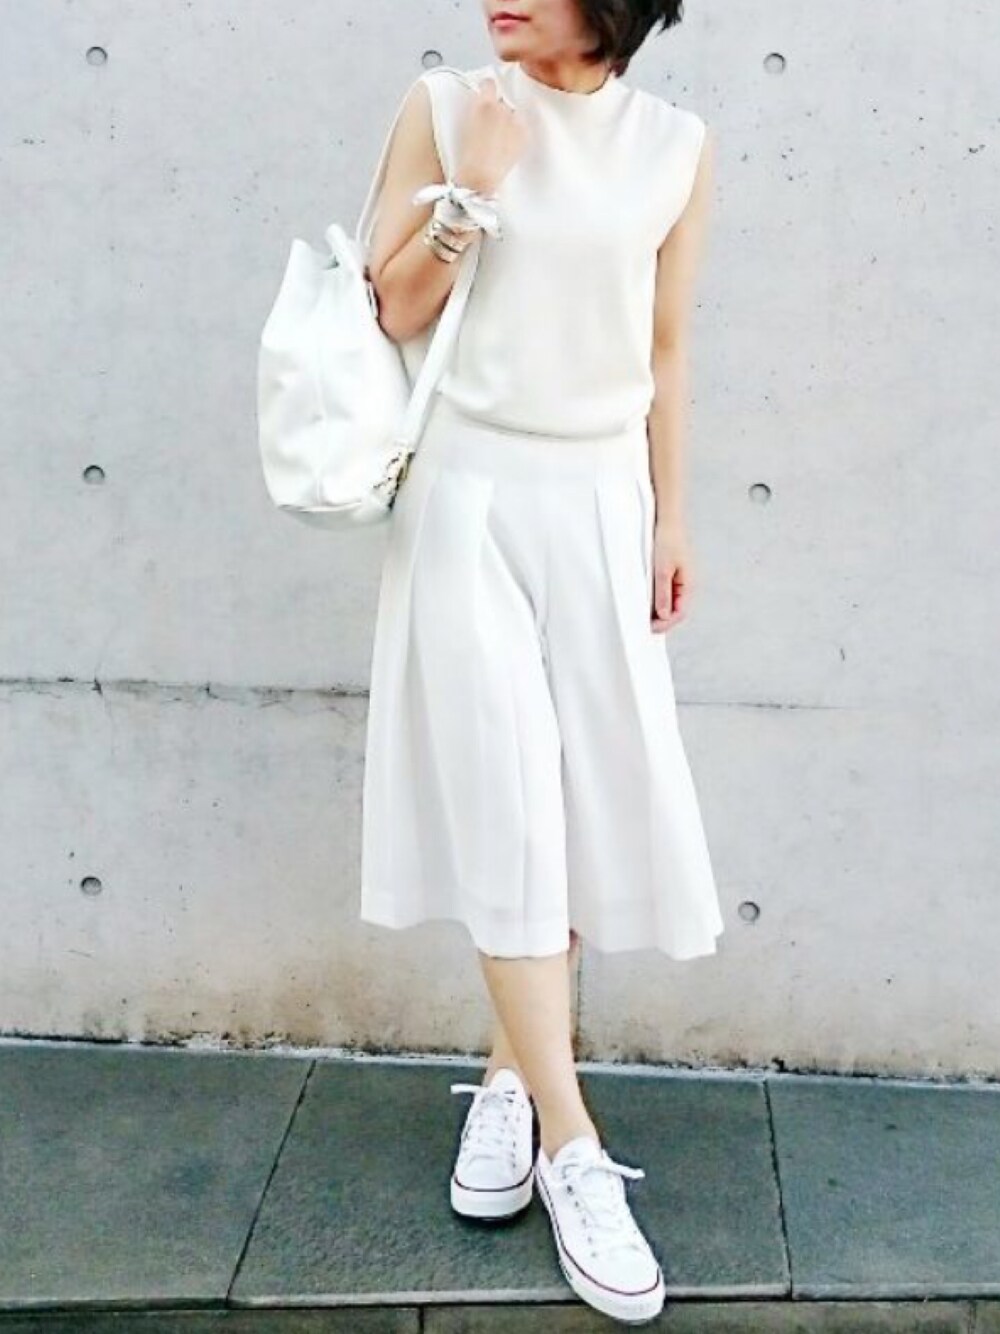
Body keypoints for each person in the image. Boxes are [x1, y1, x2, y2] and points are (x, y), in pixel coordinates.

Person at [360, 0, 722, 1322]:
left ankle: (515, 1074)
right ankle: (574, 1148)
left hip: (603, 501)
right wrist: (473, 191)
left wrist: (670, 515)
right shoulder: (450, 108)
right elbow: (390, 307)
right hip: (468, 493)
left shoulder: (675, 143)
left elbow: (665, 344)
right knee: (507, 802)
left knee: (567, 808)